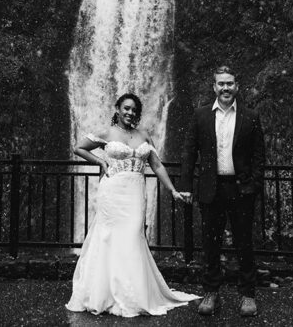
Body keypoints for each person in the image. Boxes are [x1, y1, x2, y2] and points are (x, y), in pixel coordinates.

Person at [65, 93, 200, 317]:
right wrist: (100, 161)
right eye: (126, 108)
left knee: (133, 236)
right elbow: (78, 148)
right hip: (113, 191)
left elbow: (156, 166)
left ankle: (133, 293)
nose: (130, 113)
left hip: (136, 193)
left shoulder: (144, 135)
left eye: (134, 110)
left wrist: (173, 190)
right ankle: (108, 293)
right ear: (117, 109)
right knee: (109, 238)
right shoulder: (106, 132)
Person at [180, 66, 266, 318]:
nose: (225, 88)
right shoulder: (201, 115)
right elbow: (189, 152)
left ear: (237, 86)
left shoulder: (251, 116)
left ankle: (248, 294)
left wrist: (253, 185)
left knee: (244, 243)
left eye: (230, 83)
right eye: (221, 84)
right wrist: (186, 186)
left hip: (240, 188)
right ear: (214, 87)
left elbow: (259, 156)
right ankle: (211, 292)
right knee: (210, 243)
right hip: (211, 188)